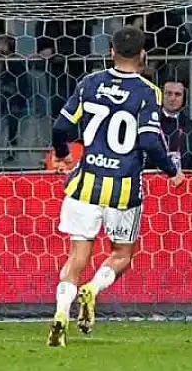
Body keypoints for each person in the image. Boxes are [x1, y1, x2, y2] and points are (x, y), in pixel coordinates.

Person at [46, 25, 183, 346]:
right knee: (122, 254)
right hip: (124, 187)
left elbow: (60, 127)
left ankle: (61, 312)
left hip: (85, 184)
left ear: (111, 52)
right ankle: (92, 290)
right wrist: (171, 170)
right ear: (143, 55)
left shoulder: (90, 83)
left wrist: (63, 155)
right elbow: (149, 141)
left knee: (77, 257)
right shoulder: (148, 92)